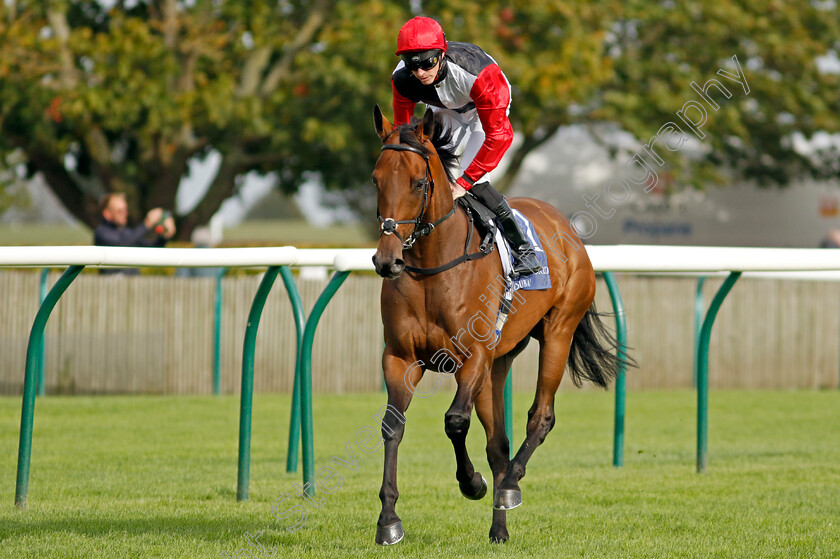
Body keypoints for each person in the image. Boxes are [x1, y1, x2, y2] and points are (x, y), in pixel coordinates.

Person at [390, 16, 542, 276]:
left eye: (427, 62)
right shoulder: (403, 79)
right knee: (429, 172)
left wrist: (465, 182)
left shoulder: (480, 74)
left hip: (484, 112)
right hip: (444, 109)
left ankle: (524, 249)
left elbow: (499, 136)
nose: (420, 73)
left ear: (441, 53)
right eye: (412, 65)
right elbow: (402, 132)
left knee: (475, 181)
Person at [93, 193, 176, 275]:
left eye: (125, 210)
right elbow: (122, 245)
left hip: (132, 286)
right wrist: (146, 224)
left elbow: (149, 249)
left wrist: (164, 236)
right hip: (111, 286)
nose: (125, 214)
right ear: (107, 213)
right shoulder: (101, 232)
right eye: (120, 211)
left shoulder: (126, 232)